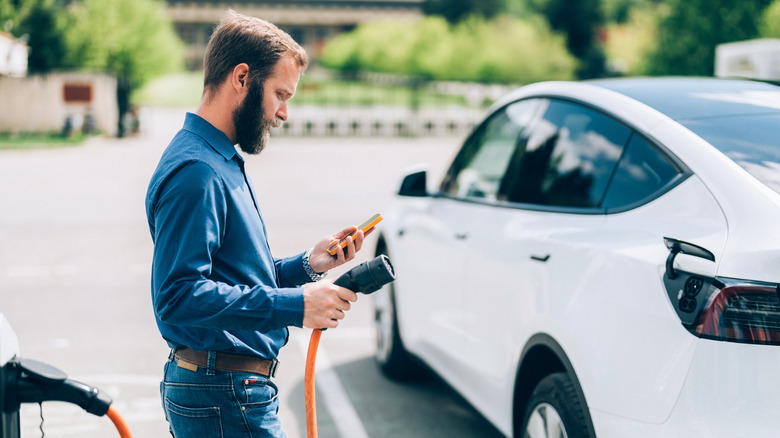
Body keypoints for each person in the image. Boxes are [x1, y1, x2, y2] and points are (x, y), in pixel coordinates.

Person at [145, 10, 366, 437]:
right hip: (224, 394)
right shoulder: (198, 170)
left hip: (226, 390)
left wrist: (307, 265)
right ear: (242, 78)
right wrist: (298, 306)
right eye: (280, 94)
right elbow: (178, 295)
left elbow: (231, 278)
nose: (283, 113)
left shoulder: (217, 159)